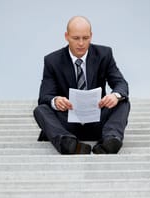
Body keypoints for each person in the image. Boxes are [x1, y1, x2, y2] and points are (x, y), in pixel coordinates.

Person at [33, 15, 130, 154]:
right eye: (76, 38)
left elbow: (121, 83)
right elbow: (44, 96)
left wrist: (115, 96)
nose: (81, 43)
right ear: (66, 36)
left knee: (123, 101)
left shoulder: (104, 54)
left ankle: (111, 140)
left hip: (97, 120)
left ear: (91, 36)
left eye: (85, 38)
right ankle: (68, 143)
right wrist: (56, 101)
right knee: (40, 110)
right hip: (68, 123)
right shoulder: (52, 61)